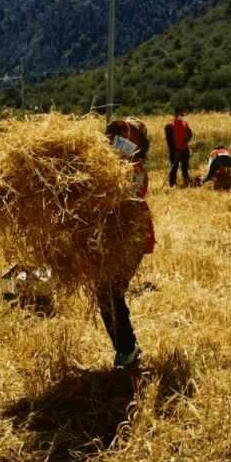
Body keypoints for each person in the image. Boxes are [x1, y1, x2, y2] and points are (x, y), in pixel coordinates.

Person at [100, 117, 155, 367]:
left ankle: (127, 350)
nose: (120, 138)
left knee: (109, 292)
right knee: (106, 293)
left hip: (131, 239)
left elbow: (123, 201)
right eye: (118, 132)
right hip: (110, 239)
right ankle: (126, 347)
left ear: (138, 143)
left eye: (127, 134)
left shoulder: (135, 171)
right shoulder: (103, 165)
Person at [164, 107, 193, 187]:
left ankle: (186, 182)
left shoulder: (185, 123)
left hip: (184, 149)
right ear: (175, 114)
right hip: (174, 150)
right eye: (180, 114)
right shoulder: (170, 125)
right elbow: (168, 139)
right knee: (174, 168)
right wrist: (174, 150)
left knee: (185, 167)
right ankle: (172, 184)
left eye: (183, 115)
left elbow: (190, 133)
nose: (182, 116)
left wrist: (186, 139)